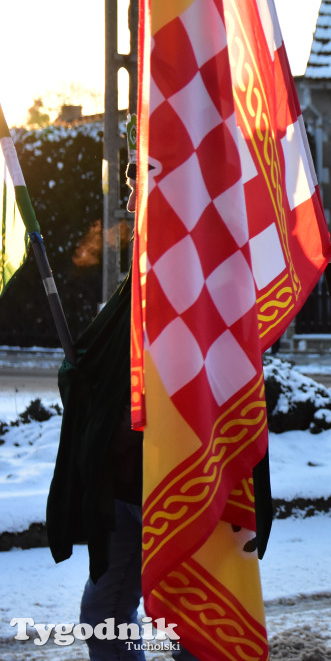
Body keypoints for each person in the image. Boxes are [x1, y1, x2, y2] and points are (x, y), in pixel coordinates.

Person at [46, 138, 203, 660]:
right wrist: (81, 374)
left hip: (182, 489)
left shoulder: (199, 280)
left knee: (190, 623)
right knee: (105, 616)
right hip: (123, 494)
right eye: (132, 186)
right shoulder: (135, 282)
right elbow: (105, 375)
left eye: (144, 186)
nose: (133, 201)